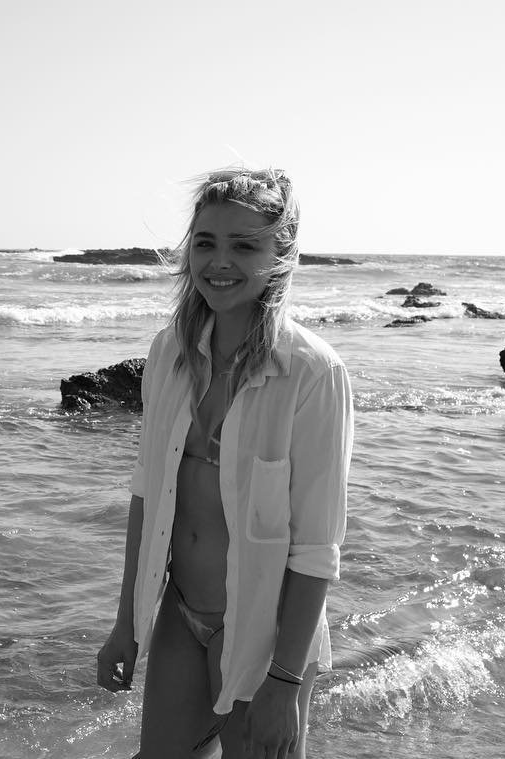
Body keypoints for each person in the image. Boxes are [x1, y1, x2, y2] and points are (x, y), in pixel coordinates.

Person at [96, 167, 353, 758]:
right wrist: (125, 625)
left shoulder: (312, 372)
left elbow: (317, 547)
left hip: (267, 634)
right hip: (181, 615)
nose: (220, 262)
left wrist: (285, 680)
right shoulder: (170, 353)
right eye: (206, 242)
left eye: (244, 246)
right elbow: (147, 496)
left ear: (280, 257)